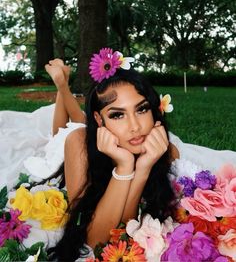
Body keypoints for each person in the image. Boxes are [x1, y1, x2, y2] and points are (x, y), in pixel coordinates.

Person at [46, 48, 179, 261]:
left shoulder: (164, 150)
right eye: (118, 114)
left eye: (142, 109)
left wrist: (140, 169)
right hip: (80, 142)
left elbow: (121, 228)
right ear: (100, 120)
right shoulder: (78, 144)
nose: (135, 127)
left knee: (80, 120)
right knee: (61, 133)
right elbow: (94, 240)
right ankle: (62, 85)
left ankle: (65, 87)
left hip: (102, 132)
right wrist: (124, 169)